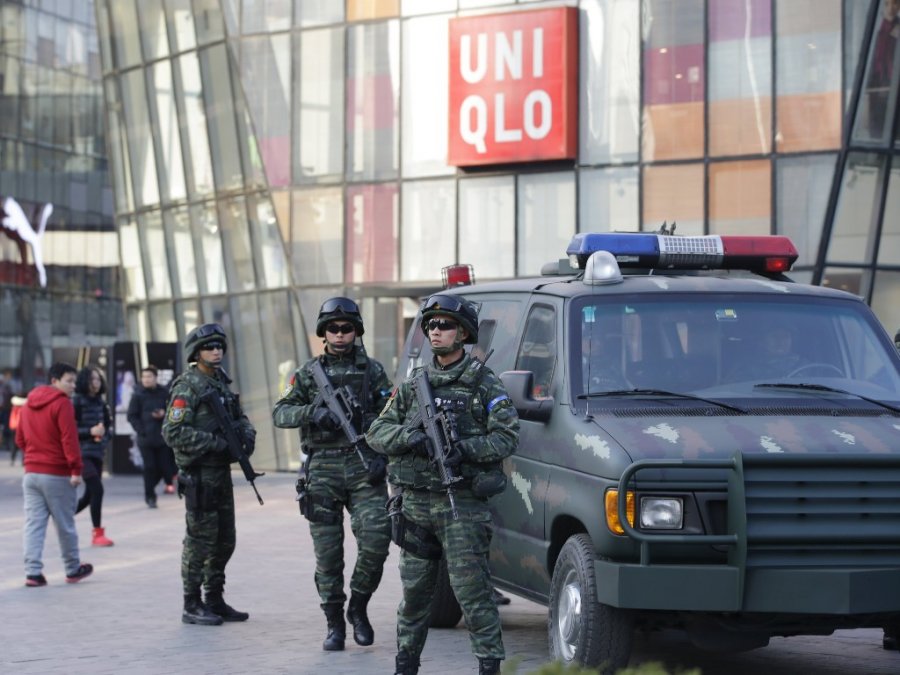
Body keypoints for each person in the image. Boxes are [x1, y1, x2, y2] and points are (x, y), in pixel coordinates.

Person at [366, 294, 520, 675]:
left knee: (473, 593)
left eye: (445, 324)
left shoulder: (483, 383)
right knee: (415, 595)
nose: (435, 331)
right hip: (416, 505)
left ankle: (489, 666)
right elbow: (376, 432)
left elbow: (507, 437)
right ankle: (405, 665)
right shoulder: (414, 384)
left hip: (462, 504)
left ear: (463, 333)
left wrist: (463, 449)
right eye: (431, 325)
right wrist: (411, 438)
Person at [273, 297, 393, 651]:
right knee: (328, 555)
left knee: (377, 538)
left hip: (362, 464)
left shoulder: (373, 371)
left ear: (357, 332)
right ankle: (333, 622)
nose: (340, 335)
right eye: (333, 329)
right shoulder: (309, 374)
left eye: (347, 328)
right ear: (323, 333)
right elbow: (282, 412)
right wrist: (314, 412)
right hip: (322, 467)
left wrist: (379, 452)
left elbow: (391, 417)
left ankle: (358, 606)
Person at [162, 323, 256, 626]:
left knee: (225, 540)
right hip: (200, 476)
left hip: (220, 475)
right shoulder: (187, 386)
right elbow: (173, 431)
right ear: (196, 352)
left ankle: (214, 598)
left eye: (219, 347)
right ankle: (192, 603)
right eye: (209, 347)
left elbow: (239, 418)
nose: (216, 352)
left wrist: (246, 436)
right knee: (199, 542)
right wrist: (215, 444)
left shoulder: (219, 383)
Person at [17, 362, 93, 586]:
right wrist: (75, 470)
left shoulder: (28, 403)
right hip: (57, 473)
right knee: (65, 524)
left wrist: (34, 456)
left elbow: (20, 439)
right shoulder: (62, 405)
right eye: (68, 381)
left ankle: (33, 573)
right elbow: (69, 440)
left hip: (31, 474)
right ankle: (72, 568)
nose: (73, 386)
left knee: (33, 524)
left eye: (74, 381)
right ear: (54, 381)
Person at [73, 365, 114, 547]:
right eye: (92, 379)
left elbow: (109, 428)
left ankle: (62, 516)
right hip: (82, 454)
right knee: (97, 489)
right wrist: (90, 432)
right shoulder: (76, 401)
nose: (95, 383)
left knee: (89, 496)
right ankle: (97, 533)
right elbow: (70, 431)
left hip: (97, 453)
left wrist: (103, 438)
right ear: (84, 381)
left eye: (98, 379)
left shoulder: (101, 403)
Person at [127, 365, 177, 508]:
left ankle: (151, 488)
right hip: (145, 438)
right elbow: (131, 416)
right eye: (144, 377)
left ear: (155, 378)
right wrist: (141, 430)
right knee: (149, 467)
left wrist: (164, 414)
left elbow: (173, 410)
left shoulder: (164, 393)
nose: (146, 379)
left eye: (149, 376)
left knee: (164, 468)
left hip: (162, 437)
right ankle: (150, 496)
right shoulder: (137, 395)